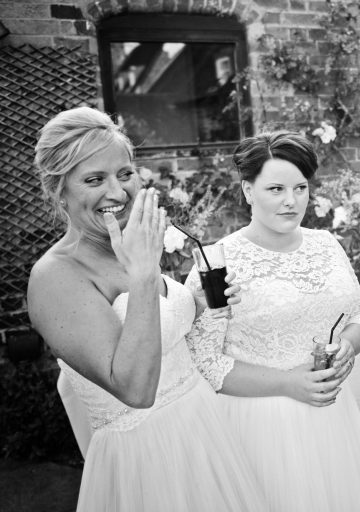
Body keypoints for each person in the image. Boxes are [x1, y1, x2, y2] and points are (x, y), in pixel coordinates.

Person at [26, 106, 267, 511]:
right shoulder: (55, 277)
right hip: (147, 458)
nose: (118, 192)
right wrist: (142, 275)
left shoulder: (127, 240)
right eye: (94, 179)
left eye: (125, 174)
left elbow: (161, 325)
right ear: (58, 190)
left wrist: (199, 303)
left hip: (204, 429)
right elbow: (135, 389)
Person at [183, 131, 360, 512]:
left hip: (332, 418)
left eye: (300, 188)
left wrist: (348, 345)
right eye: (276, 189)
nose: (291, 201)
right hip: (260, 426)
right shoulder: (217, 262)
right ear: (248, 190)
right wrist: (287, 382)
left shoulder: (326, 244)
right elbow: (204, 362)